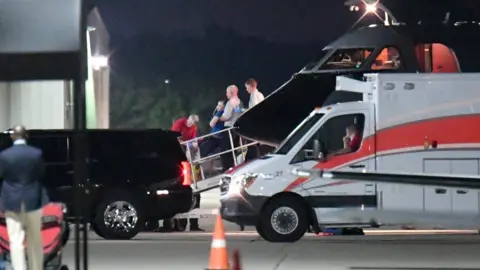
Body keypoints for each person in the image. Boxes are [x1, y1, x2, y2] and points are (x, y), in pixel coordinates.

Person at [0, 125, 48, 270]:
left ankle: (19, 268)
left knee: (15, 239)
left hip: (11, 199)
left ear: (12, 136)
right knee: (35, 238)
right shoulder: (36, 153)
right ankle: (36, 267)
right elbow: (41, 174)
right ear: (26, 136)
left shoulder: (4, 155)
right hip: (32, 198)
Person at [218, 85, 244, 171]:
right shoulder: (240, 102)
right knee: (234, 150)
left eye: (227, 92)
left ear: (232, 93)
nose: (226, 94)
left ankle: (226, 169)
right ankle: (234, 166)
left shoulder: (230, 103)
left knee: (225, 150)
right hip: (237, 129)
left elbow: (226, 116)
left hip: (229, 129)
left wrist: (218, 117)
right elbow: (240, 113)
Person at [244, 78, 265, 161]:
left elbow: (254, 109)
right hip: (260, 122)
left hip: (256, 123)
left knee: (251, 143)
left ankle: (250, 160)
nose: (246, 90)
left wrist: (243, 111)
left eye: (246, 87)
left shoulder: (253, 95)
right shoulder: (260, 94)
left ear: (250, 86)